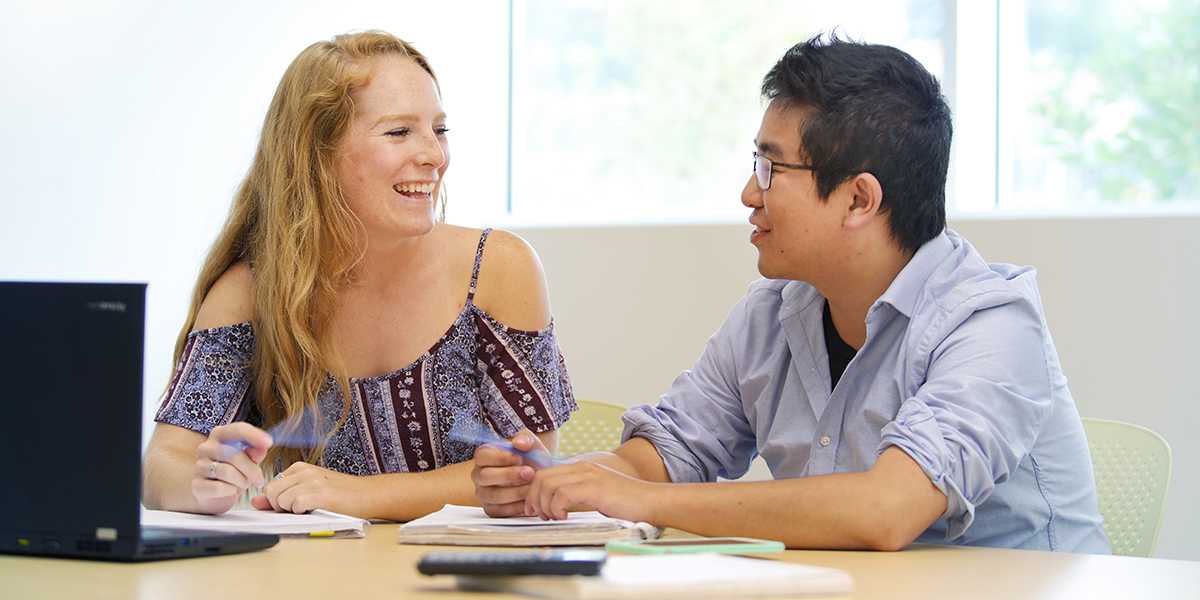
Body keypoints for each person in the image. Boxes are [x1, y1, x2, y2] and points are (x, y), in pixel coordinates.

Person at [472, 34, 1110, 553]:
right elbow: (663, 457)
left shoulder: (991, 322)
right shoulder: (772, 314)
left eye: (771, 169)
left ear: (859, 198)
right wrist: (562, 482)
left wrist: (640, 502)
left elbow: (885, 510)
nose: (751, 194)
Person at [142, 30, 575, 521]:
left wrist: (361, 496)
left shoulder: (499, 268)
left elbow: (528, 471)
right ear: (316, 154)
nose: (434, 155)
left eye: (439, 129)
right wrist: (204, 482)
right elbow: (162, 464)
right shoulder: (252, 291)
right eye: (398, 132)